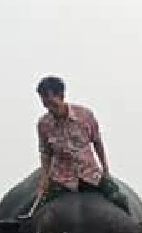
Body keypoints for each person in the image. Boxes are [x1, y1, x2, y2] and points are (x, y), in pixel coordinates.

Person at [32, 76, 129, 213]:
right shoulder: (43, 124)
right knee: (37, 212)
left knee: (119, 199)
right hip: (62, 178)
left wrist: (105, 170)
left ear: (61, 96)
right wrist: (44, 181)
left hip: (90, 174)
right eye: (45, 103)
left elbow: (97, 143)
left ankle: (141, 231)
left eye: (51, 102)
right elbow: (45, 154)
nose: (49, 107)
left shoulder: (85, 116)